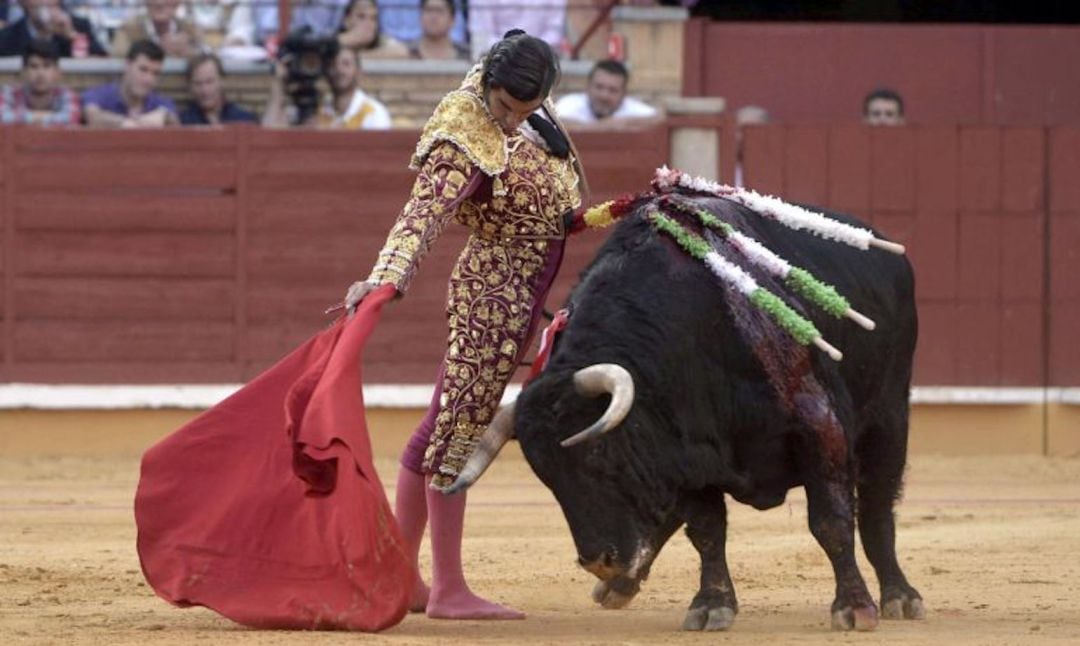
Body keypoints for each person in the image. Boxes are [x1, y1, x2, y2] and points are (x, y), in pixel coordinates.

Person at [341, 30, 584, 619]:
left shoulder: (526, 98)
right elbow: (421, 214)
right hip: (491, 298)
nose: (510, 122)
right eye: (503, 109)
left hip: (519, 295)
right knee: (459, 433)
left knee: (440, 425)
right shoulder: (464, 125)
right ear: (488, 86)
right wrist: (386, 278)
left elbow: (556, 195)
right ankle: (447, 588)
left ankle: (401, 575)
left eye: (524, 112)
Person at [262, 46, 392, 129]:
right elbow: (269, 132)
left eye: (346, 64)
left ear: (359, 72)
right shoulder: (317, 108)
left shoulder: (374, 112)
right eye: (333, 64)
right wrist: (278, 83)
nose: (339, 69)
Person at [83, 39, 177, 128]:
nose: (149, 79)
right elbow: (92, 115)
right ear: (127, 65)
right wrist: (125, 123)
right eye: (143, 70)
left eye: (155, 73)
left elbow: (174, 121)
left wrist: (164, 116)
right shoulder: (101, 94)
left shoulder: (159, 101)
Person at [554, 59, 659, 126]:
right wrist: (608, 125)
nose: (604, 96)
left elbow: (659, 117)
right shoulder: (569, 104)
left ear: (624, 93)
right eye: (599, 87)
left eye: (613, 90)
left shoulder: (635, 109)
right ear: (588, 86)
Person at [0, 37, 80, 125]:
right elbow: (2, 117)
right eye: (34, 66)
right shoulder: (10, 93)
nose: (40, 74)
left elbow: (72, 118)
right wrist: (44, 117)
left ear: (57, 72)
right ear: (24, 72)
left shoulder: (66, 95)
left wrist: (27, 118)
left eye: (46, 66)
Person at [0, 0, 106, 57]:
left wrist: (73, 36)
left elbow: (101, 61)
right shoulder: (7, 37)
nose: (44, 2)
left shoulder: (79, 26)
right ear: (22, 2)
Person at [179, 53, 258, 125]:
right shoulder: (183, 122)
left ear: (222, 81)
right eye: (198, 83)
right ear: (190, 86)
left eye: (209, 82)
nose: (204, 90)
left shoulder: (243, 119)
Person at [110, 0, 202, 58]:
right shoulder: (128, 29)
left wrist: (189, 52)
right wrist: (158, 51)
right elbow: (116, 61)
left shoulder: (190, 29)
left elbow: (210, 57)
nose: (159, 2)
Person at [337, 0, 408, 59]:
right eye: (361, 17)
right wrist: (348, 39)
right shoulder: (337, 39)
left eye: (373, 18)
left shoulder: (381, 39)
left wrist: (358, 57)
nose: (368, 23)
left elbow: (402, 51)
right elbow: (327, 46)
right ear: (346, 20)